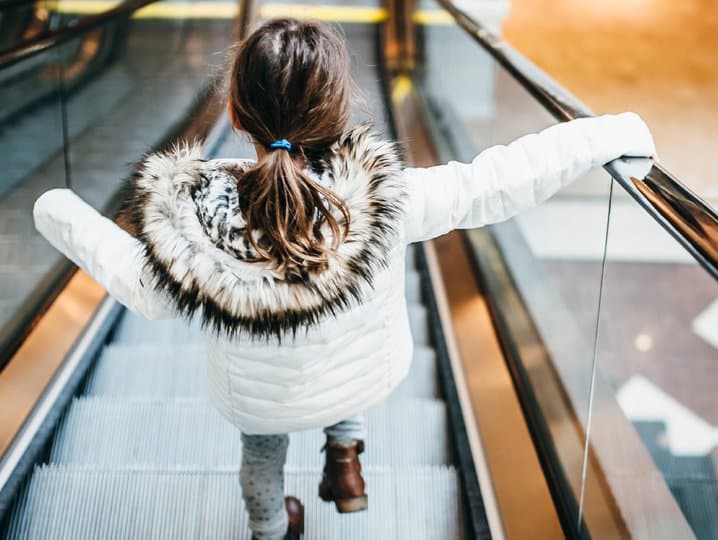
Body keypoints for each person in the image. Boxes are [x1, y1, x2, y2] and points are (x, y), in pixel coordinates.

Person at [32, 17, 655, 540]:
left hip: (260, 402)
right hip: (360, 380)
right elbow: (494, 182)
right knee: (343, 379)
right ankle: (347, 462)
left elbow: (137, 283)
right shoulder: (386, 203)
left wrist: (54, 209)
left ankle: (272, 528)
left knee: (260, 457)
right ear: (338, 109)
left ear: (235, 114)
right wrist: (607, 134)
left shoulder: (193, 234)